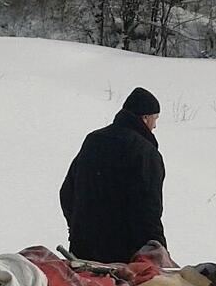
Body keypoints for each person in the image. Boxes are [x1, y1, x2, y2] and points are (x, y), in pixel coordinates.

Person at [60, 87, 166, 263]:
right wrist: (157, 252)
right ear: (144, 118)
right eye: (155, 118)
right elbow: (148, 210)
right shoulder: (145, 153)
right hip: (123, 261)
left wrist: (79, 227)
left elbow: (66, 192)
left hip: (82, 251)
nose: (155, 125)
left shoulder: (93, 140)